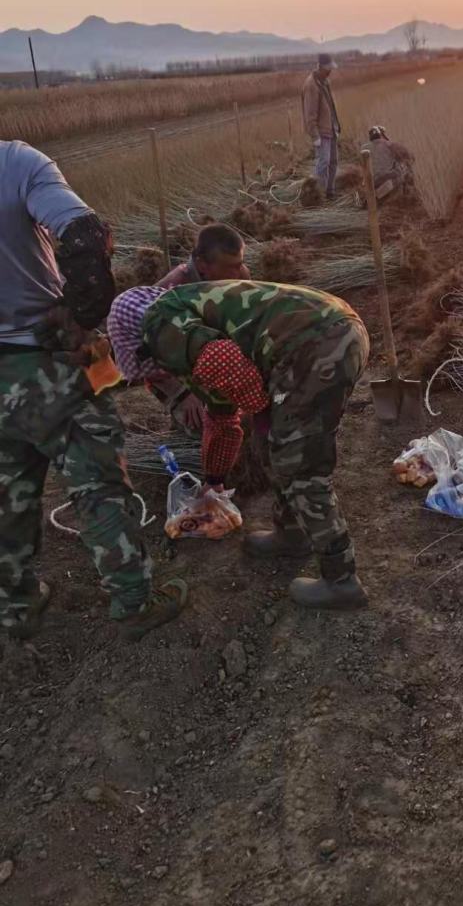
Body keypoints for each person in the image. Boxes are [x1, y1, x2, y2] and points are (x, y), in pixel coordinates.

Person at [0, 140, 187, 642]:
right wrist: (81, 316)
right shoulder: (15, 163)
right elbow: (85, 233)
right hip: (44, 360)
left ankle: (16, 606)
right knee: (95, 482)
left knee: (8, 493)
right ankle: (134, 601)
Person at [107, 280, 370, 610]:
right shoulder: (187, 318)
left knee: (299, 463)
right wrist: (214, 480)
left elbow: (223, 359)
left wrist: (259, 407)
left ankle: (341, 579)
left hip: (317, 342)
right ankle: (292, 534)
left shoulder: (159, 324)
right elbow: (223, 419)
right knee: (270, 448)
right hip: (327, 333)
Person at [154, 223, 251, 432]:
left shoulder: (241, 275)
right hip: (175, 366)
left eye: (239, 264)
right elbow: (152, 357)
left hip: (215, 354)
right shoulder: (171, 294)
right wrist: (183, 394)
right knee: (198, 424)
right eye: (229, 266)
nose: (237, 273)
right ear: (201, 264)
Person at [302, 53, 341, 200]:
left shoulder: (325, 82)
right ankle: (317, 195)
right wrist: (315, 135)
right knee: (323, 163)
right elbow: (310, 113)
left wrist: (336, 126)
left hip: (331, 129)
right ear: (320, 67)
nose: (330, 71)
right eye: (328, 68)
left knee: (333, 162)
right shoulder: (311, 85)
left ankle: (330, 192)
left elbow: (330, 107)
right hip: (321, 132)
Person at [365, 125, 414, 203]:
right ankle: (406, 197)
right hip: (388, 179)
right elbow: (410, 157)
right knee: (405, 168)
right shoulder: (390, 145)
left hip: (372, 181)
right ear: (381, 135)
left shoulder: (364, 148)